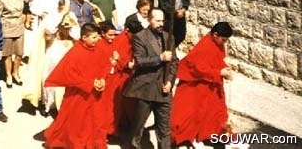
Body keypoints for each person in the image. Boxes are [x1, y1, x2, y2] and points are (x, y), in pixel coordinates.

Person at [43, 23, 109, 149]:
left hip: (95, 93)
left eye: (97, 37)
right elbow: (69, 74)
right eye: (94, 37)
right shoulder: (75, 52)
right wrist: (90, 83)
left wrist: (102, 79)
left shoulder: (99, 48)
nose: (97, 40)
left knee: (95, 120)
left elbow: (104, 65)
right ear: (84, 37)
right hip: (78, 94)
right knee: (76, 121)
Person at [171, 22, 234, 149]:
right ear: (215, 35)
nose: (224, 43)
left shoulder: (217, 43)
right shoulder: (205, 46)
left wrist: (225, 70)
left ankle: (212, 135)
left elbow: (216, 60)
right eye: (223, 39)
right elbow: (198, 68)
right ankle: (182, 139)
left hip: (209, 84)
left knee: (213, 112)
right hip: (195, 86)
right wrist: (219, 72)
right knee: (190, 114)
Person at [122, 8, 177, 149]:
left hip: (164, 89)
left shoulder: (168, 37)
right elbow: (140, 61)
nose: (161, 24)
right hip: (145, 88)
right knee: (138, 126)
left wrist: (170, 81)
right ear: (149, 20)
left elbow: (174, 62)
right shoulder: (140, 37)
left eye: (162, 20)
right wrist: (160, 58)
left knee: (164, 130)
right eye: (157, 20)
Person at [0, 0, 33, 88]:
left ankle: (16, 73)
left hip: (19, 28)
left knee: (19, 53)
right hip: (7, 29)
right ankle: (8, 75)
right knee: (8, 55)